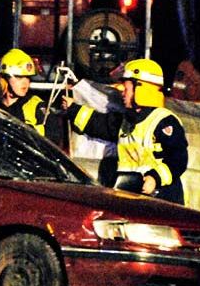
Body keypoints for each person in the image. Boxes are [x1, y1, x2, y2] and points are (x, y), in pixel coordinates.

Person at [64, 58, 188, 204]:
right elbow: (98, 124)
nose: (122, 93)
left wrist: (155, 178)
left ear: (141, 89)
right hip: (130, 193)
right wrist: (73, 109)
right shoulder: (127, 121)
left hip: (162, 197)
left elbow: (178, 159)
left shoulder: (164, 121)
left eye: (127, 89)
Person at [0, 48, 60, 143]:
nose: (25, 82)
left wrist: (28, 132)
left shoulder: (36, 106)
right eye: (19, 77)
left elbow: (54, 139)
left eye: (28, 77)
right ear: (4, 78)